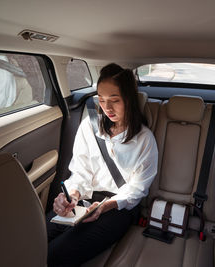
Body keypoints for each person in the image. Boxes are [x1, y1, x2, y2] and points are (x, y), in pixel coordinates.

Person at [46, 63, 158, 267]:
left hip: (119, 208)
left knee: (55, 255)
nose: (107, 108)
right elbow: (80, 171)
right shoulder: (90, 125)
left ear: (129, 99)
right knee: (32, 239)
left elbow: (137, 189)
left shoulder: (144, 139)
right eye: (102, 100)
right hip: (85, 201)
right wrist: (70, 195)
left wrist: (105, 207)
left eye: (114, 100)